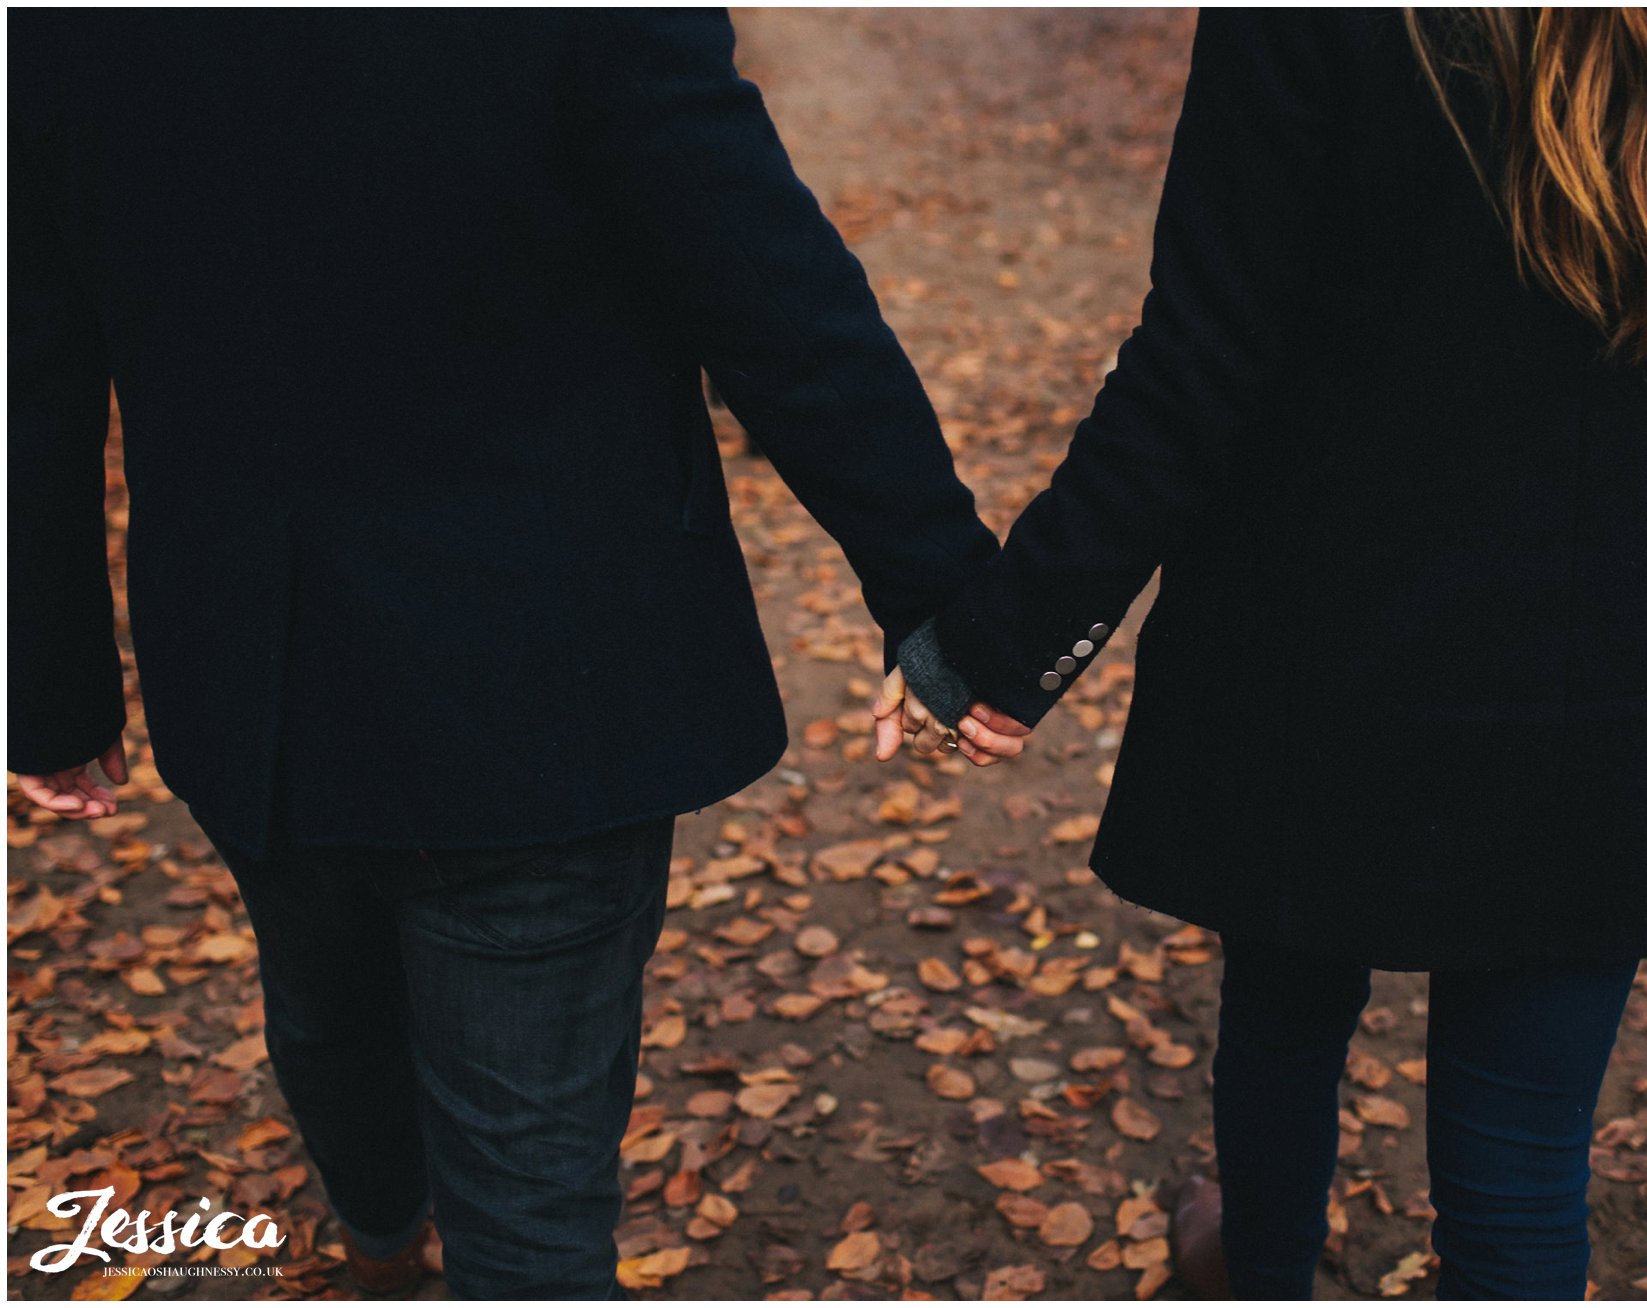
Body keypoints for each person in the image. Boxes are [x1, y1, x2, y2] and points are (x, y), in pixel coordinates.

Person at [876, 9, 1647, 1298]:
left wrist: (1005, 637)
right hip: (1589, 675)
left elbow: (1204, 357)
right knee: (1519, 1164)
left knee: (1284, 992)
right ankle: (1260, 1256)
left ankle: (1258, 1265)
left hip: (1318, 631)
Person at [10, 10, 996, 1298]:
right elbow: (768, 289)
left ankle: (380, 1233)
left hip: (254, 663)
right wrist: (950, 599)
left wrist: (49, 681)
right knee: (519, 1165)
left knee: (325, 1005)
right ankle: (390, 1232)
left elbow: (32, 348)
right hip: (545, 676)